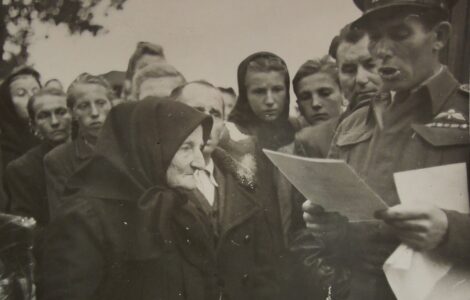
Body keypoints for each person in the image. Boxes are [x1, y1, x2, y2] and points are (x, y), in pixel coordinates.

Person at [301, 0, 469, 299]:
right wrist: (325, 225)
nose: (382, 50)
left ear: (440, 37)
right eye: (376, 37)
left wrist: (449, 230)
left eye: (400, 34)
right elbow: (340, 244)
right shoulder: (353, 122)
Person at [41, 98, 229, 300]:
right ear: (147, 147)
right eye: (185, 148)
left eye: (199, 148)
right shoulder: (84, 218)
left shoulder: (186, 209)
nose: (199, 162)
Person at [173, 81, 279, 299]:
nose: (206, 121)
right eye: (195, 110)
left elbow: (265, 272)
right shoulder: (158, 187)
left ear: (223, 125)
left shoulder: (246, 185)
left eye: (215, 113)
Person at [44, 73, 113, 219]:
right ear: (72, 113)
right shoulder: (58, 160)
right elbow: (64, 219)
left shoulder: (131, 150)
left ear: (111, 105)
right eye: (84, 106)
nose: (94, 113)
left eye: (101, 103)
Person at [5, 87, 72, 226]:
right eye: (44, 115)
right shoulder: (22, 169)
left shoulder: (92, 152)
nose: (55, 122)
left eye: (61, 112)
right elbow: (27, 228)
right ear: (34, 125)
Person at [0, 67, 41, 178]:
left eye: (36, 91)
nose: (31, 97)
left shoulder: (57, 133)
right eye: (21, 93)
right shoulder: (6, 148)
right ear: (8, 102)